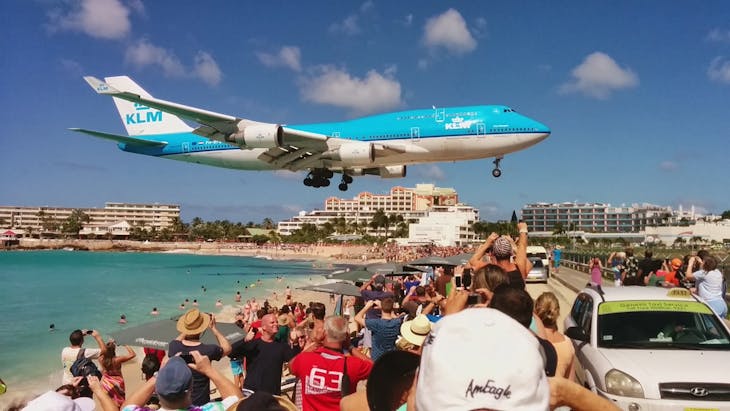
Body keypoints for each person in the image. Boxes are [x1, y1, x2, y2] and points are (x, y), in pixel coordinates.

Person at [290, 316, 373, 411]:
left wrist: (317, 343)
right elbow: (376, 368)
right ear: (346, 336)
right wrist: (350, 347)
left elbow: (291, 366)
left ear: (324, 333)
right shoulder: (353, 364)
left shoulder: (305, 359)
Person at [121, 352, 241, 411]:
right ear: (191, 388)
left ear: (157, 390)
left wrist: (158, 375)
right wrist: (209, 370)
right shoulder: (213, 409)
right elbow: (238, 401)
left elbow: (127, 407)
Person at [168, 309, 232, 406]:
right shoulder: (208, 350)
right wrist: (214, 329)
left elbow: (176, 341)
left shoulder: (173, 347)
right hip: (201, 403)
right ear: (202, 329)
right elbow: (228, 348)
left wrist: (187, 329)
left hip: (179, 403)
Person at [229, 313, 301, 395]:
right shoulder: (253, 344)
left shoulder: (281, 346)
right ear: (264, 327)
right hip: (252, 392)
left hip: (272, 393)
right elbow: (231, 353)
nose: (276, 324)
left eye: (276, 322)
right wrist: (244, 340)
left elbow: (296, 361)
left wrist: (295, 344)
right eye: (272, 322)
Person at [534, 292, 575, 380]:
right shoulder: (568, 344)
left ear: (536, 312)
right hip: (558, 393)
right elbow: (570, 383)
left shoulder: (531, 341)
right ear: (557, 312)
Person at [99, 339, 136, 406]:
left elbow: (103, 351)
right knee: (120, 400)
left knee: (109, 402)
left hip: (106, 381)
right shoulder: (117, 359)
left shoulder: (101, 359)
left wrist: (109, 344)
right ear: (114, 350)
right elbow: (133, 354)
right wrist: (125, 344)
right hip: (118, 382)